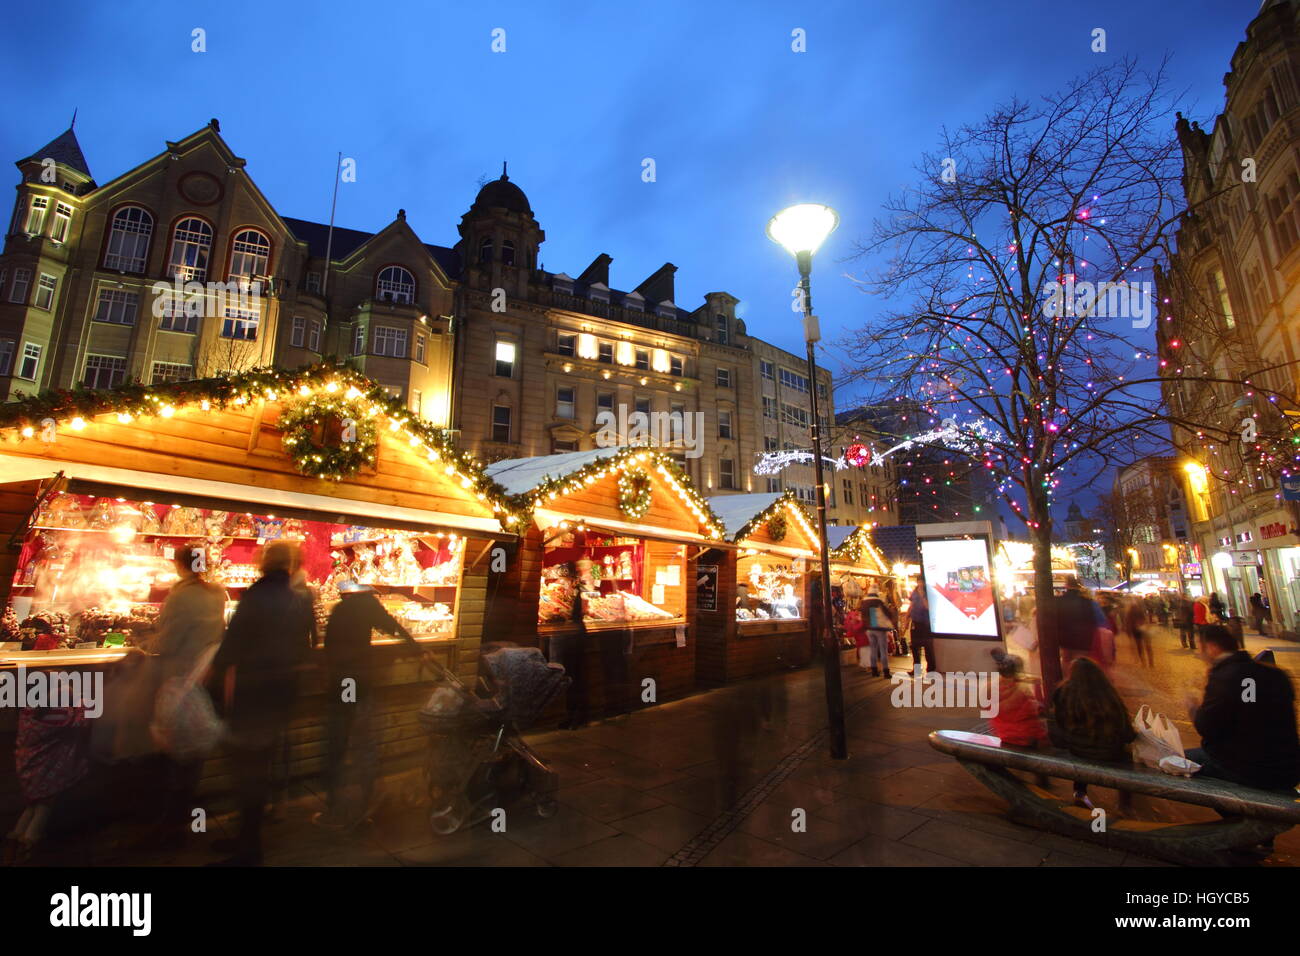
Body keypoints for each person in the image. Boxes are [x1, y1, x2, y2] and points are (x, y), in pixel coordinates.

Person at [209, 541, 314, 865]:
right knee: (259, 769)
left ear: (263, 563)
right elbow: (309, 645)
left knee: (247, 773)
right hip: (280, 696)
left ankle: (248, 849)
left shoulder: (254, 597)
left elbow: (230, 650)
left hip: (251, 696)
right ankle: (248, 839)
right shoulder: (299, 600)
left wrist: (213, 682)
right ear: (291, 566)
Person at [314, 580, 425, 831]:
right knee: (365, 741)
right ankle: (366, 797)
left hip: (342, 682)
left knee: (338, 743)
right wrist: (416, 648)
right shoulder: (369, 606)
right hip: (360, 681)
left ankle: (336, 805)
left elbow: (329, 646)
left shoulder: (340, 609)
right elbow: (393, 627)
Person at [147, 546, 226, 847]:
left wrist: (146, 641)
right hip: (205, 676)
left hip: (179, 678)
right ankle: (187, 817)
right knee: (193, 752)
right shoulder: (217, 592)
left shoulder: (181, 595)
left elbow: (167, 640)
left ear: (180, 565)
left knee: (174, 751)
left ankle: (170, 825)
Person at [1184, 625, 1300, 792]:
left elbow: (1206, 727)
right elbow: (1252, 709)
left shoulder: (1226, 676)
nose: (1198, 653)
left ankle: (1239, 812)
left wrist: (1193, 706)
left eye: (1199, 647)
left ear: (1211, 647)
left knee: (1178, 761)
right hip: (1288, 768)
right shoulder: (1276, 674)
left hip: (1250, 770)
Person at [1049, 656, 1136, 812]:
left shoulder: (1062, 693)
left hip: (1076, 749)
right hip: (1109, 752)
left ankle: (1079, 792)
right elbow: (1127, 733)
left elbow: (1059, 723)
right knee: (1127, 759)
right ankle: (1125, 802)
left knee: (1082, 755)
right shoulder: (1109, 695)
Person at [1054, 576, 1107, 673]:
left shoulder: (1057, 602)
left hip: (1064, 641)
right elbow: (1101, 621)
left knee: (1066, 664)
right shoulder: (1090, 603)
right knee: (1082, 666)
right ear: (1080, 587)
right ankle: (1081, 683)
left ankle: (1068, 684)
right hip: (1084, 642)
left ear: (1066, 585)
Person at [860, 587, 897, 678]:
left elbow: (862, 616)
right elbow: (887, 613)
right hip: (879, 629)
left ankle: (874, 671)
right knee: (883, 650)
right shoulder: (878, 602)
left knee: (873, 650)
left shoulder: (864, 603)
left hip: (869, 629)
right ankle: (886, 672)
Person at [908, 580, 937, 675]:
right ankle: (916, 670)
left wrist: (922, 595)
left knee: (928, 647)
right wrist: (907, 617)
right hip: (915, 622)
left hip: (925, 623)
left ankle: (931, 669)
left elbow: (928, 607)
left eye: (921, 582)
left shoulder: (929, 592)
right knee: (915, 647)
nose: (919, 584)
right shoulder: (914, 591)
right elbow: (911, 605)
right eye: (918, 582)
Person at [1122, 596, 1153, 668]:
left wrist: (1128, 631)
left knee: (1140, 646)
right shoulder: (1141, 609)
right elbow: (1145, 618)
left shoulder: (1129, 611)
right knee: (1147, 646)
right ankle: (1150, 662)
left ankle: (1143, 662)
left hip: (1135, 629)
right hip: (1142, 628)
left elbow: (1128, 622)